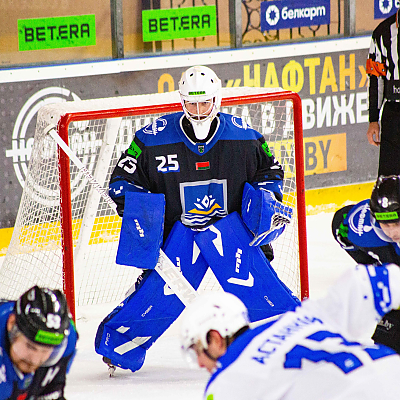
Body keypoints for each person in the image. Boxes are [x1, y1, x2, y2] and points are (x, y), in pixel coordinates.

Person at [95, 65, 299, 375]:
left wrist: (264, 202)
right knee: (159, 292)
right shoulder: (152, 138)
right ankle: (119, 345)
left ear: (217, 100)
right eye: (192, 103)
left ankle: (291, 339)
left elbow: (270, 172)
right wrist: (141, 213)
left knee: (258, 289)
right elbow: (123, 181)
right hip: (177, 235)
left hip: (231, 230)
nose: (199, 111)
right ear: (182, 101)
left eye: (204, 103)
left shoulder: (245, 136)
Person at [180, 263, 400, 400]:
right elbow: (367, 283)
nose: (200, 363)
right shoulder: (302, 315)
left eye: (196, 350)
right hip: (388, 366)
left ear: (215, 338)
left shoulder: (226, 382)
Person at [331, 174, 400, 352]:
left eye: (396, 223)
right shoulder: (361, 227)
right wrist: (372, 266)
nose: (392, 232)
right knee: (387, 348)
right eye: (386, 224)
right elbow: (340, 225)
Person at [0, 285, 78, 400]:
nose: (34, 360)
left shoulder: (67, 341)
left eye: (46, 350)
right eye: (30, 346)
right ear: (11, 324)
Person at [366, 9, 400, 176]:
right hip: (394, 115)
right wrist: (373, 119)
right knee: (389, 177)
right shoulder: (382, 33)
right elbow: (375, 78)